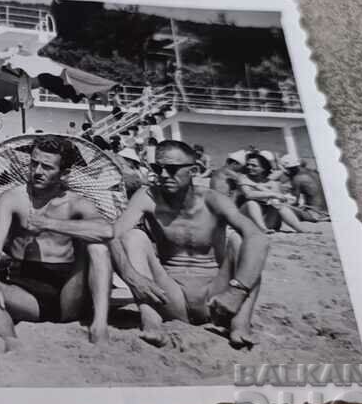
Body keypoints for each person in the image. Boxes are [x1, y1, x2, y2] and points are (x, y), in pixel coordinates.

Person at [110, 140, 270, 348]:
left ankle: (241, 324)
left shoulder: (213, 200)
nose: (164, 174)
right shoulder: (147, 197)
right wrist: (133, 279)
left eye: (172, 169)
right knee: (133, 237)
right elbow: (112, 236)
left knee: (243, 242)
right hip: (169, 296)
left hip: (217, 300)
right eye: (158, 168)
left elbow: (259, 238)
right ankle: (151, 321)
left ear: (194, 170)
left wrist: (236, 292)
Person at [0, 136, 114, 348]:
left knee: (97, 245)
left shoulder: (75, 203)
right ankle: (10, 341)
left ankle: (100, 325)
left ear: (64, 173)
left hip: (68, 289)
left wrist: (51, 223)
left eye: (47, 167)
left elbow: (107, 230)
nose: (37, 171)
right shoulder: (13, 198)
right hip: (24, 285)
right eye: (34, 163)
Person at [236, 151, 310, 233]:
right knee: (251, 202)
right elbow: (248, 194)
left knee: (279, 205)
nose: (249, 167)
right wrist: (272, 194)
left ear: (263, 168)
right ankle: (262, 229)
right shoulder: (243, 178)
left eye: (254, 165)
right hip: (247, 221)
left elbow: (279, 199)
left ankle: (300, 229)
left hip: (268, 221)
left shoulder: (271, 182)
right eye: (248, 164)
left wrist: (268, 192)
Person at [279, 154, 329, 222]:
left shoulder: (297, 179)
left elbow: (294, 201)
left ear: (286, 169)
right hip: (328, 211)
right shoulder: (314, 172)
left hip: (315, 214)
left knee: (280, 207)